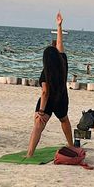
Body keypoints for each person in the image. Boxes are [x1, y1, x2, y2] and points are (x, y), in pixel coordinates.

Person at [26, 12, 74, 157]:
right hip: (62, 98)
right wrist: (59, 26)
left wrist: (41, 111)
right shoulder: (63, 63)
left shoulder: (45, 73)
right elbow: (60, 44)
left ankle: (30, 153)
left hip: (48, 101)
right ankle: (71, 145)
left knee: (38, 126)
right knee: (64, 120)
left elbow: (45, 92)